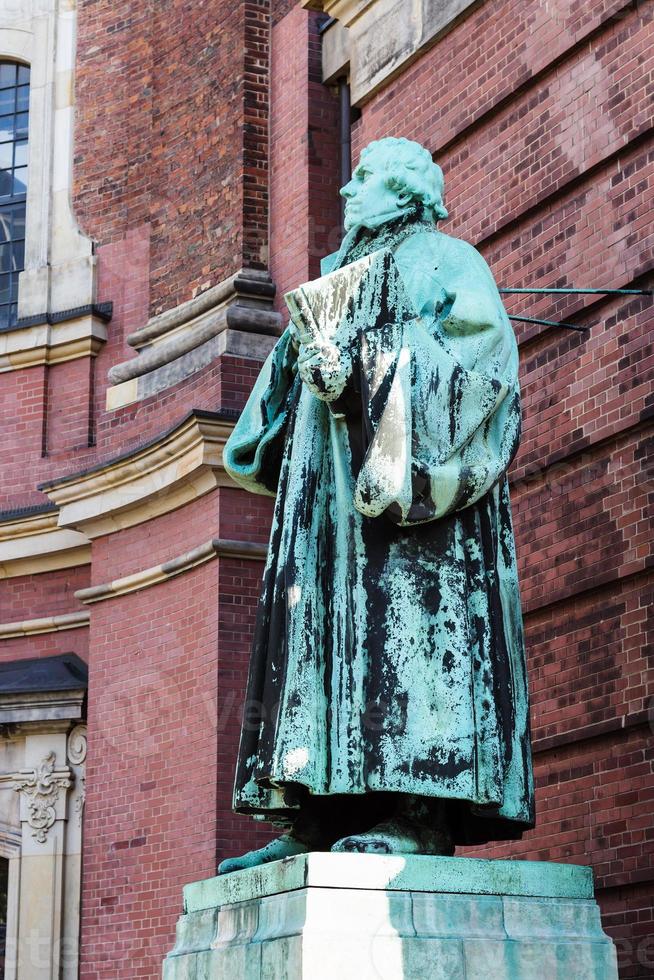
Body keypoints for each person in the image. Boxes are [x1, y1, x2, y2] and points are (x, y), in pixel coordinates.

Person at [218, 137, 534, 874]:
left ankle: (415, 811)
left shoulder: (449, 262)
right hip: (325, 518)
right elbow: (268, 419)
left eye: (363, 179)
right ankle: (318, 812)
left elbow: (479, 379)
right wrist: (306, 365)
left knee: (413, 644)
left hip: (417, 526)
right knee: (319, 637)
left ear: (408, 193)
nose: (345, 192)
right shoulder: (335, 278)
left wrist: (363, 372)